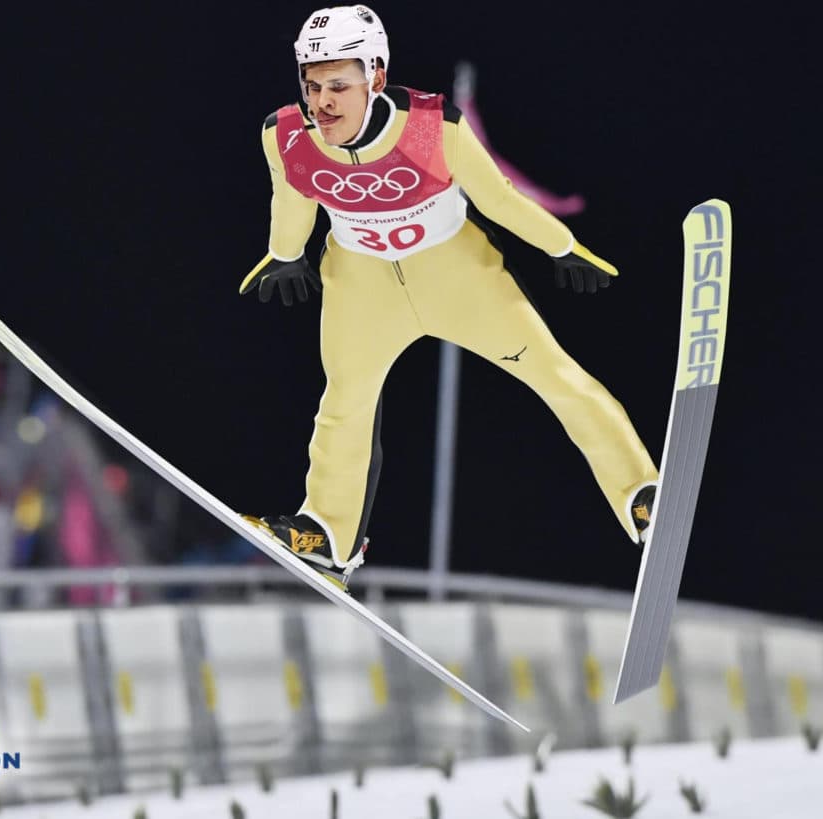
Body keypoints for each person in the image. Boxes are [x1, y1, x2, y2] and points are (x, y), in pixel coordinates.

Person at [241, 5, 657, 590]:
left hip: (457, 278)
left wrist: (561, 246)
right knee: (344, 405)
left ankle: (641, 492)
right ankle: (328, 537)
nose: (322, 104)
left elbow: (499, 199)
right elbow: (291, 198)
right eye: (312, 87)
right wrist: (284, 254)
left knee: (555, 375)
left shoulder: (432, 127)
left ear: (376, 77)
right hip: (362, 287)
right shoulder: (285, 136)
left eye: (338, 86)